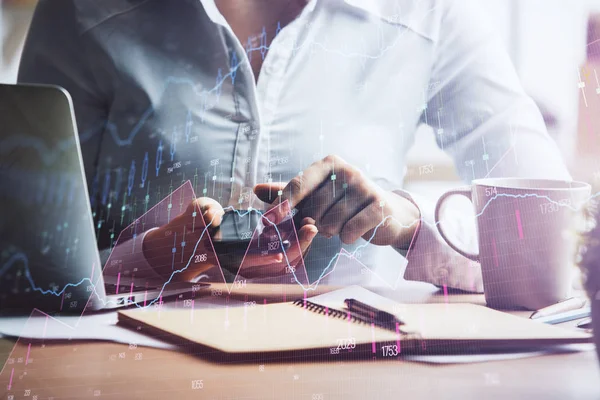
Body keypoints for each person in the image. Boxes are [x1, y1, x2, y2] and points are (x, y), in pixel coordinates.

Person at [18, 0, 570, 292]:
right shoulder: (83, 10)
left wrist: (405, 222)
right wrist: (152, 257)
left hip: (356, 375)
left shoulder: (430, 12)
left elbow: (555, 242)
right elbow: (15, 262)